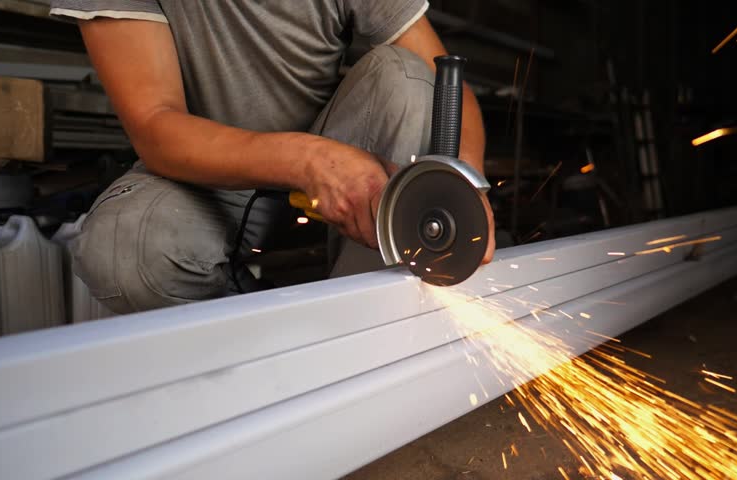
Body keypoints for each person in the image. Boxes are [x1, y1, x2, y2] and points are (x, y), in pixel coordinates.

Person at [50, 1, 494, 314]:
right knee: (122, 248)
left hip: (336, 161)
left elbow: (450, 90)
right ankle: (256, 353)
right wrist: (307, 161)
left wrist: (463, 185)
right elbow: (154, 124)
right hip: (202, 182)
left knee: (409, 77)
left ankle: (367, 329)